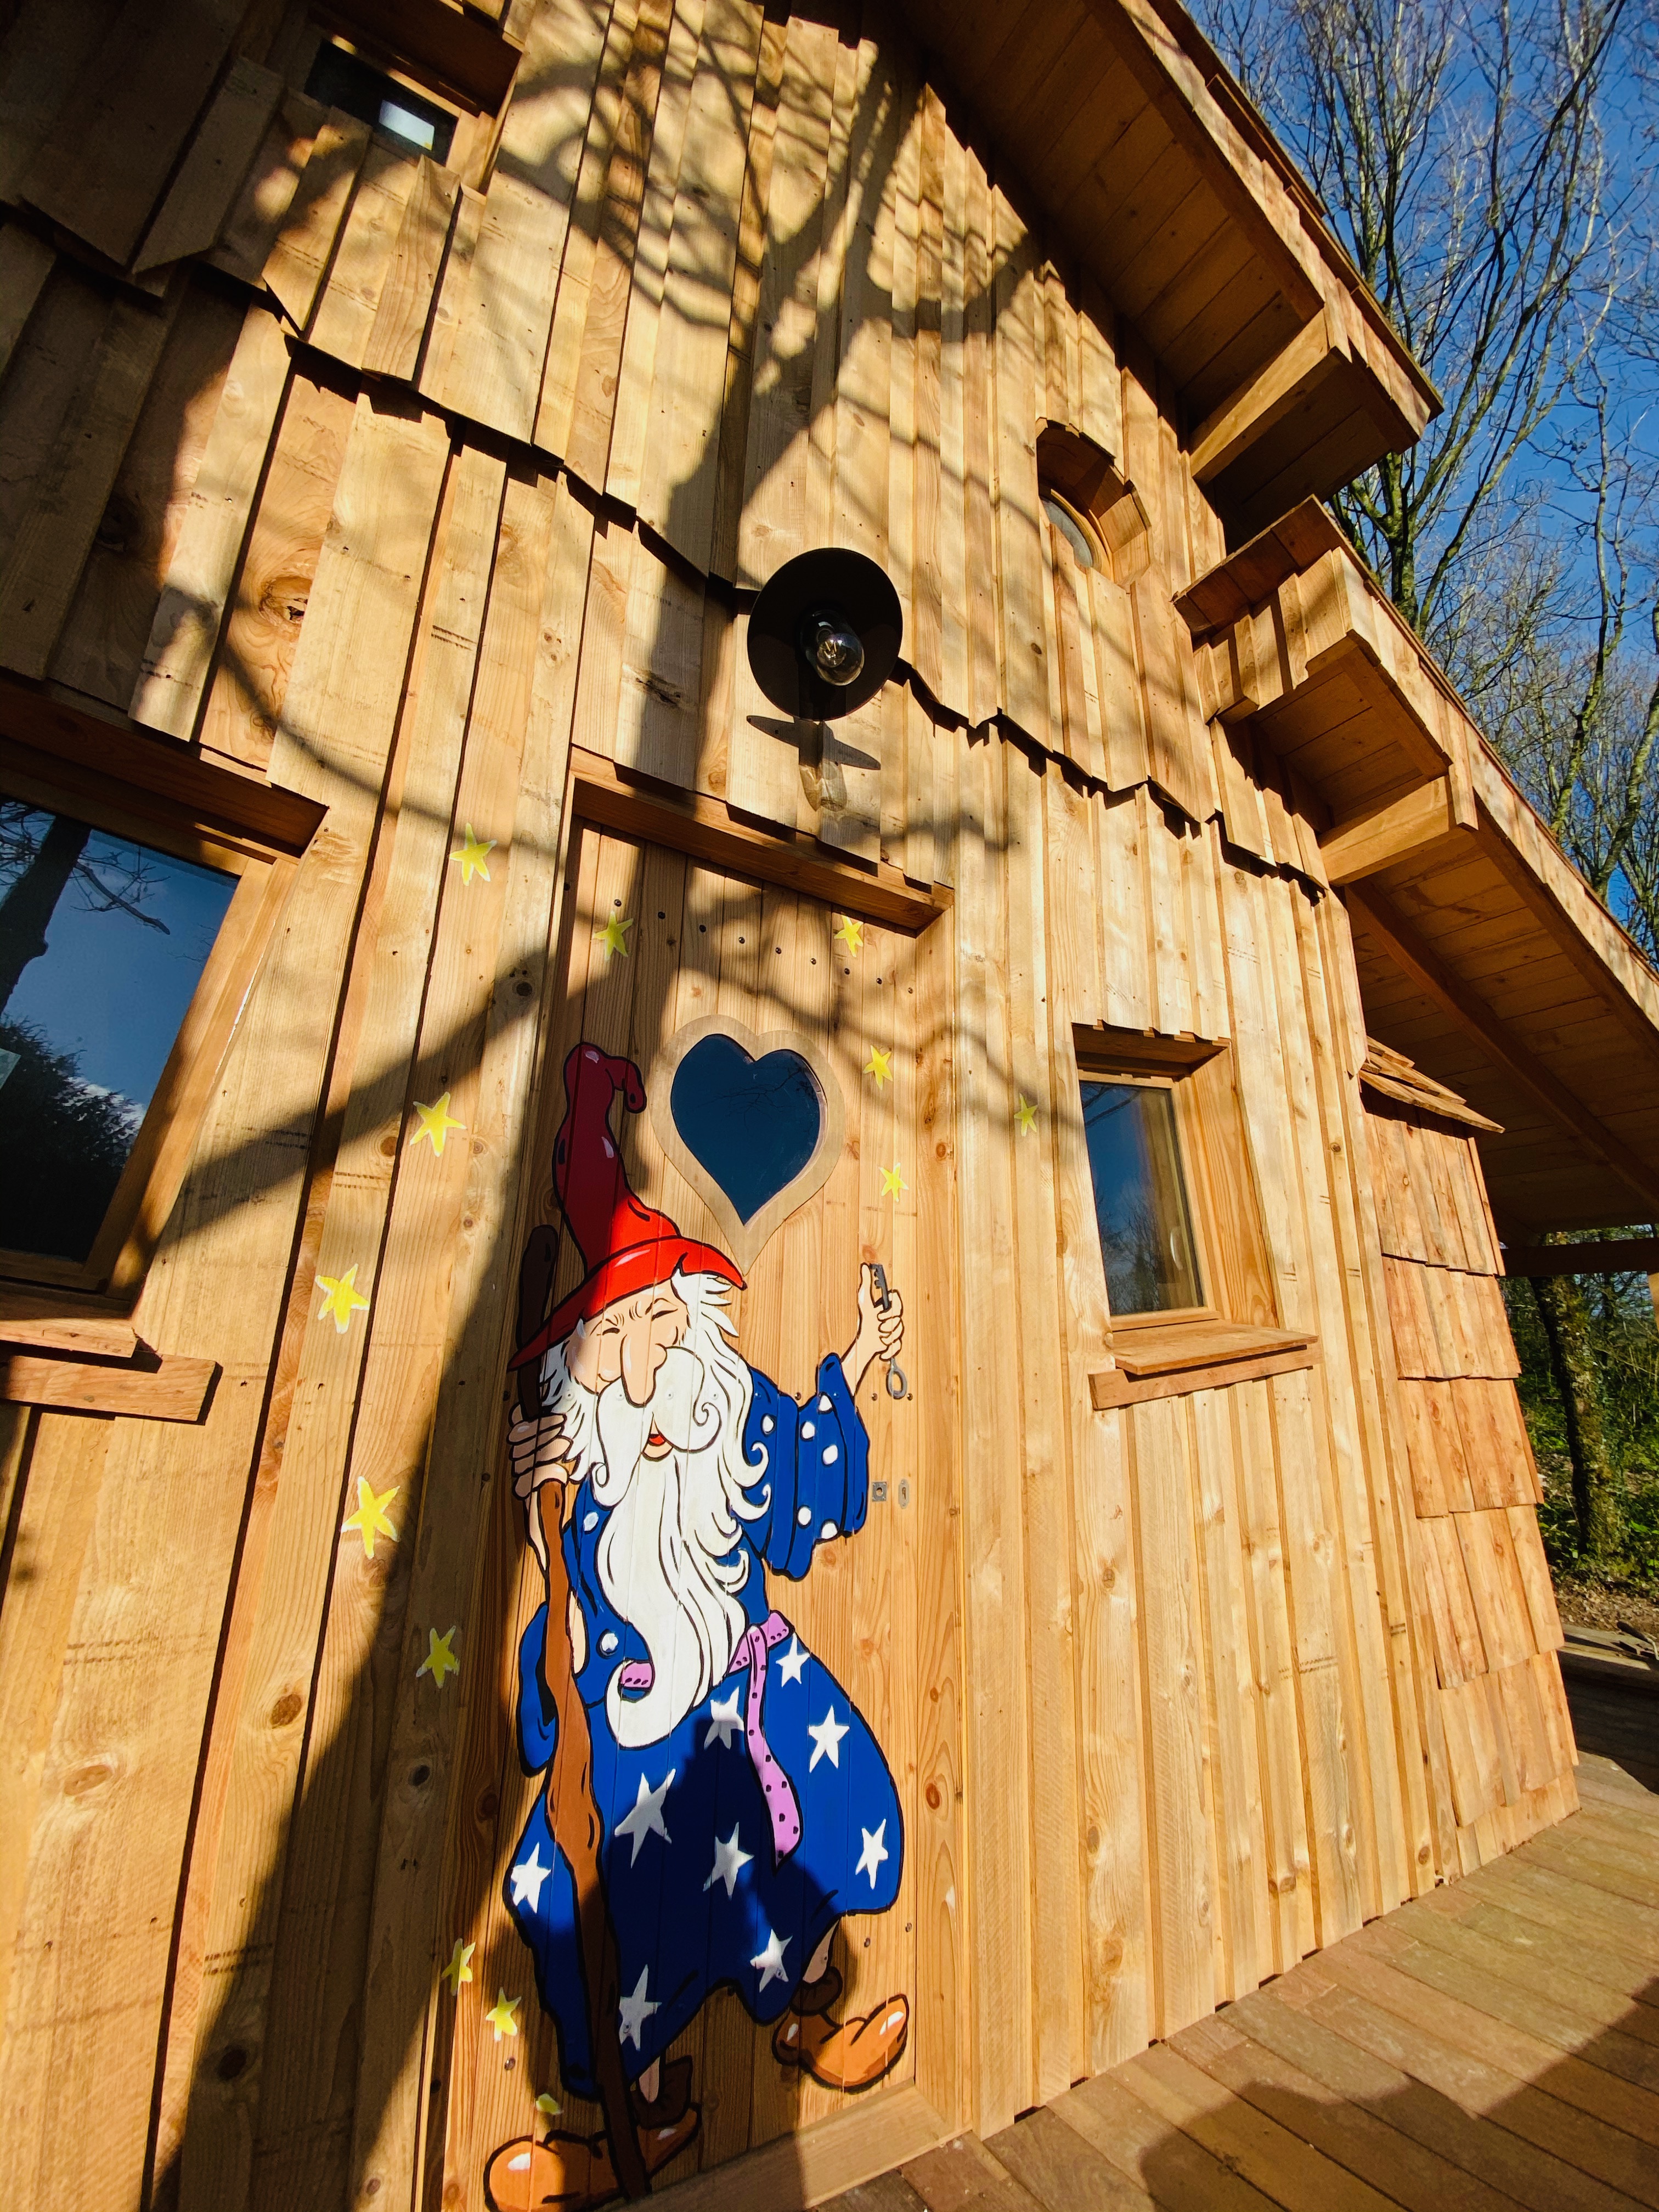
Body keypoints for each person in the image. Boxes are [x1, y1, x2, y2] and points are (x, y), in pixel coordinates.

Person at [484, 1045, 907, 2210]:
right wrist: (538, 1527)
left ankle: (812, 2021)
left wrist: (859, 1365)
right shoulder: (585, 1494)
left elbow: (795, 1481)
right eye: (615, 1345)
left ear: (699, 1325)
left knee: (824, 1827)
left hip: (761, 1700)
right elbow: (555, 1644)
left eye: (664, 1330)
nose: (647, 1369)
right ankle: (644, 2115)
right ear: (579, 1368)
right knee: (601, 1912)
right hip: (632, 1740)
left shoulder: (728, 1425)